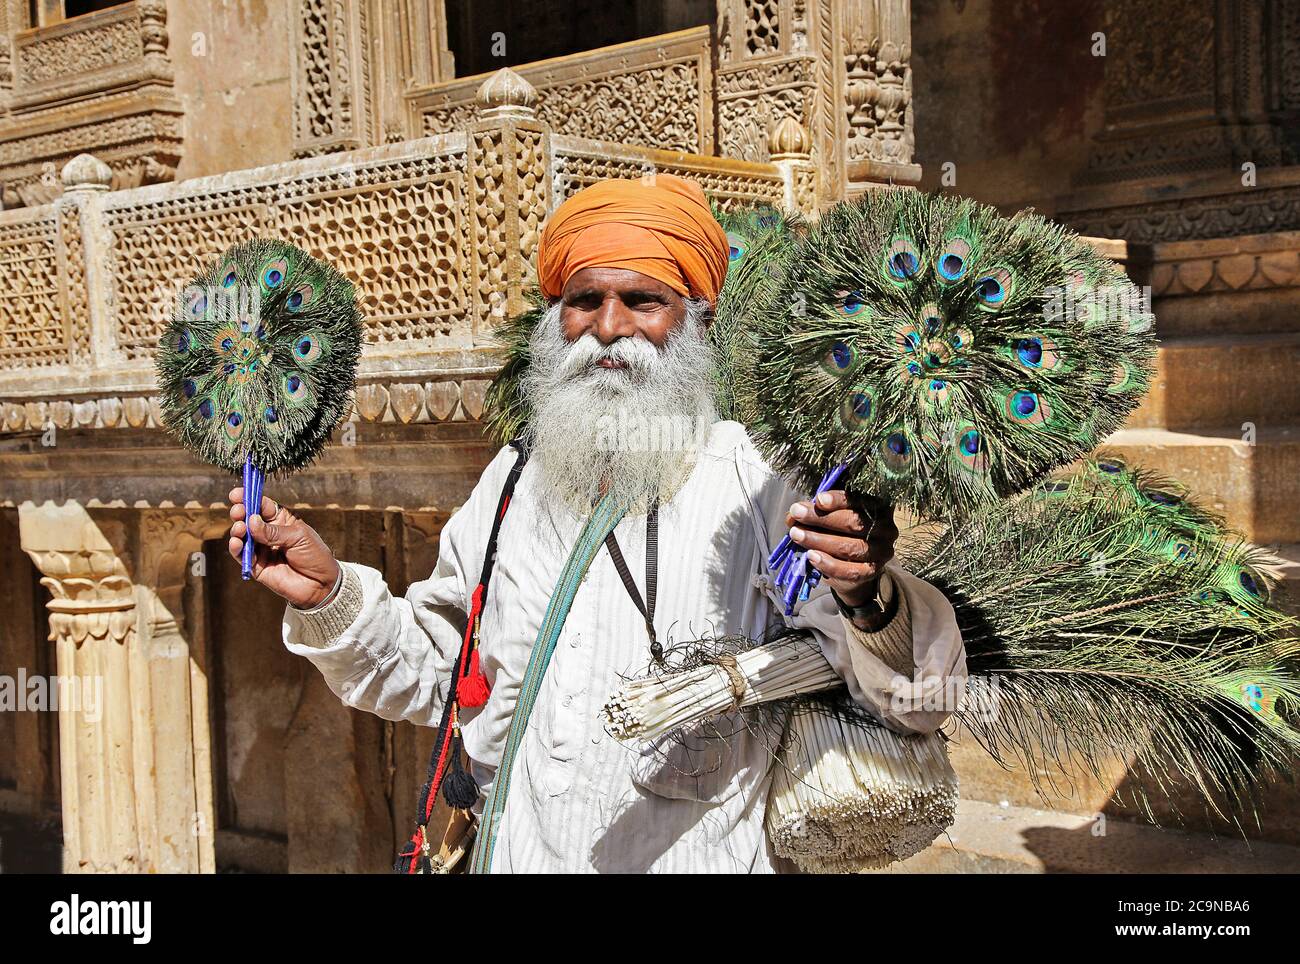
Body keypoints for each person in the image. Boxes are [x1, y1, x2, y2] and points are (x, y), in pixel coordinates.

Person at [227, 173, 965, 873]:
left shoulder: (759, 485)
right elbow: (441, 682)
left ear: (695, 322)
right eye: (584, 301)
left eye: (643, 301)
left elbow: (911, 703)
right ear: (557, 317)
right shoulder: (513, 484)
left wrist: (866, 595)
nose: (608, 329)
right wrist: (328, 597)